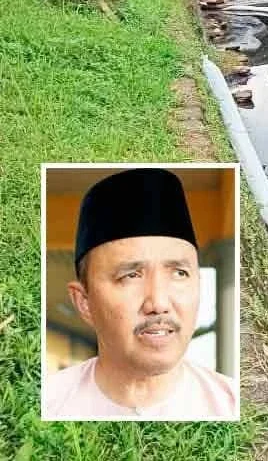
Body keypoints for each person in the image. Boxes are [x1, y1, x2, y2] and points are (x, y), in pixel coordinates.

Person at [45, 168, 237, 419]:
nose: (158, 303)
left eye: (179, 273)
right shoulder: (50, 403)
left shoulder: (230, 404)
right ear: (84, 303)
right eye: (130, 276)